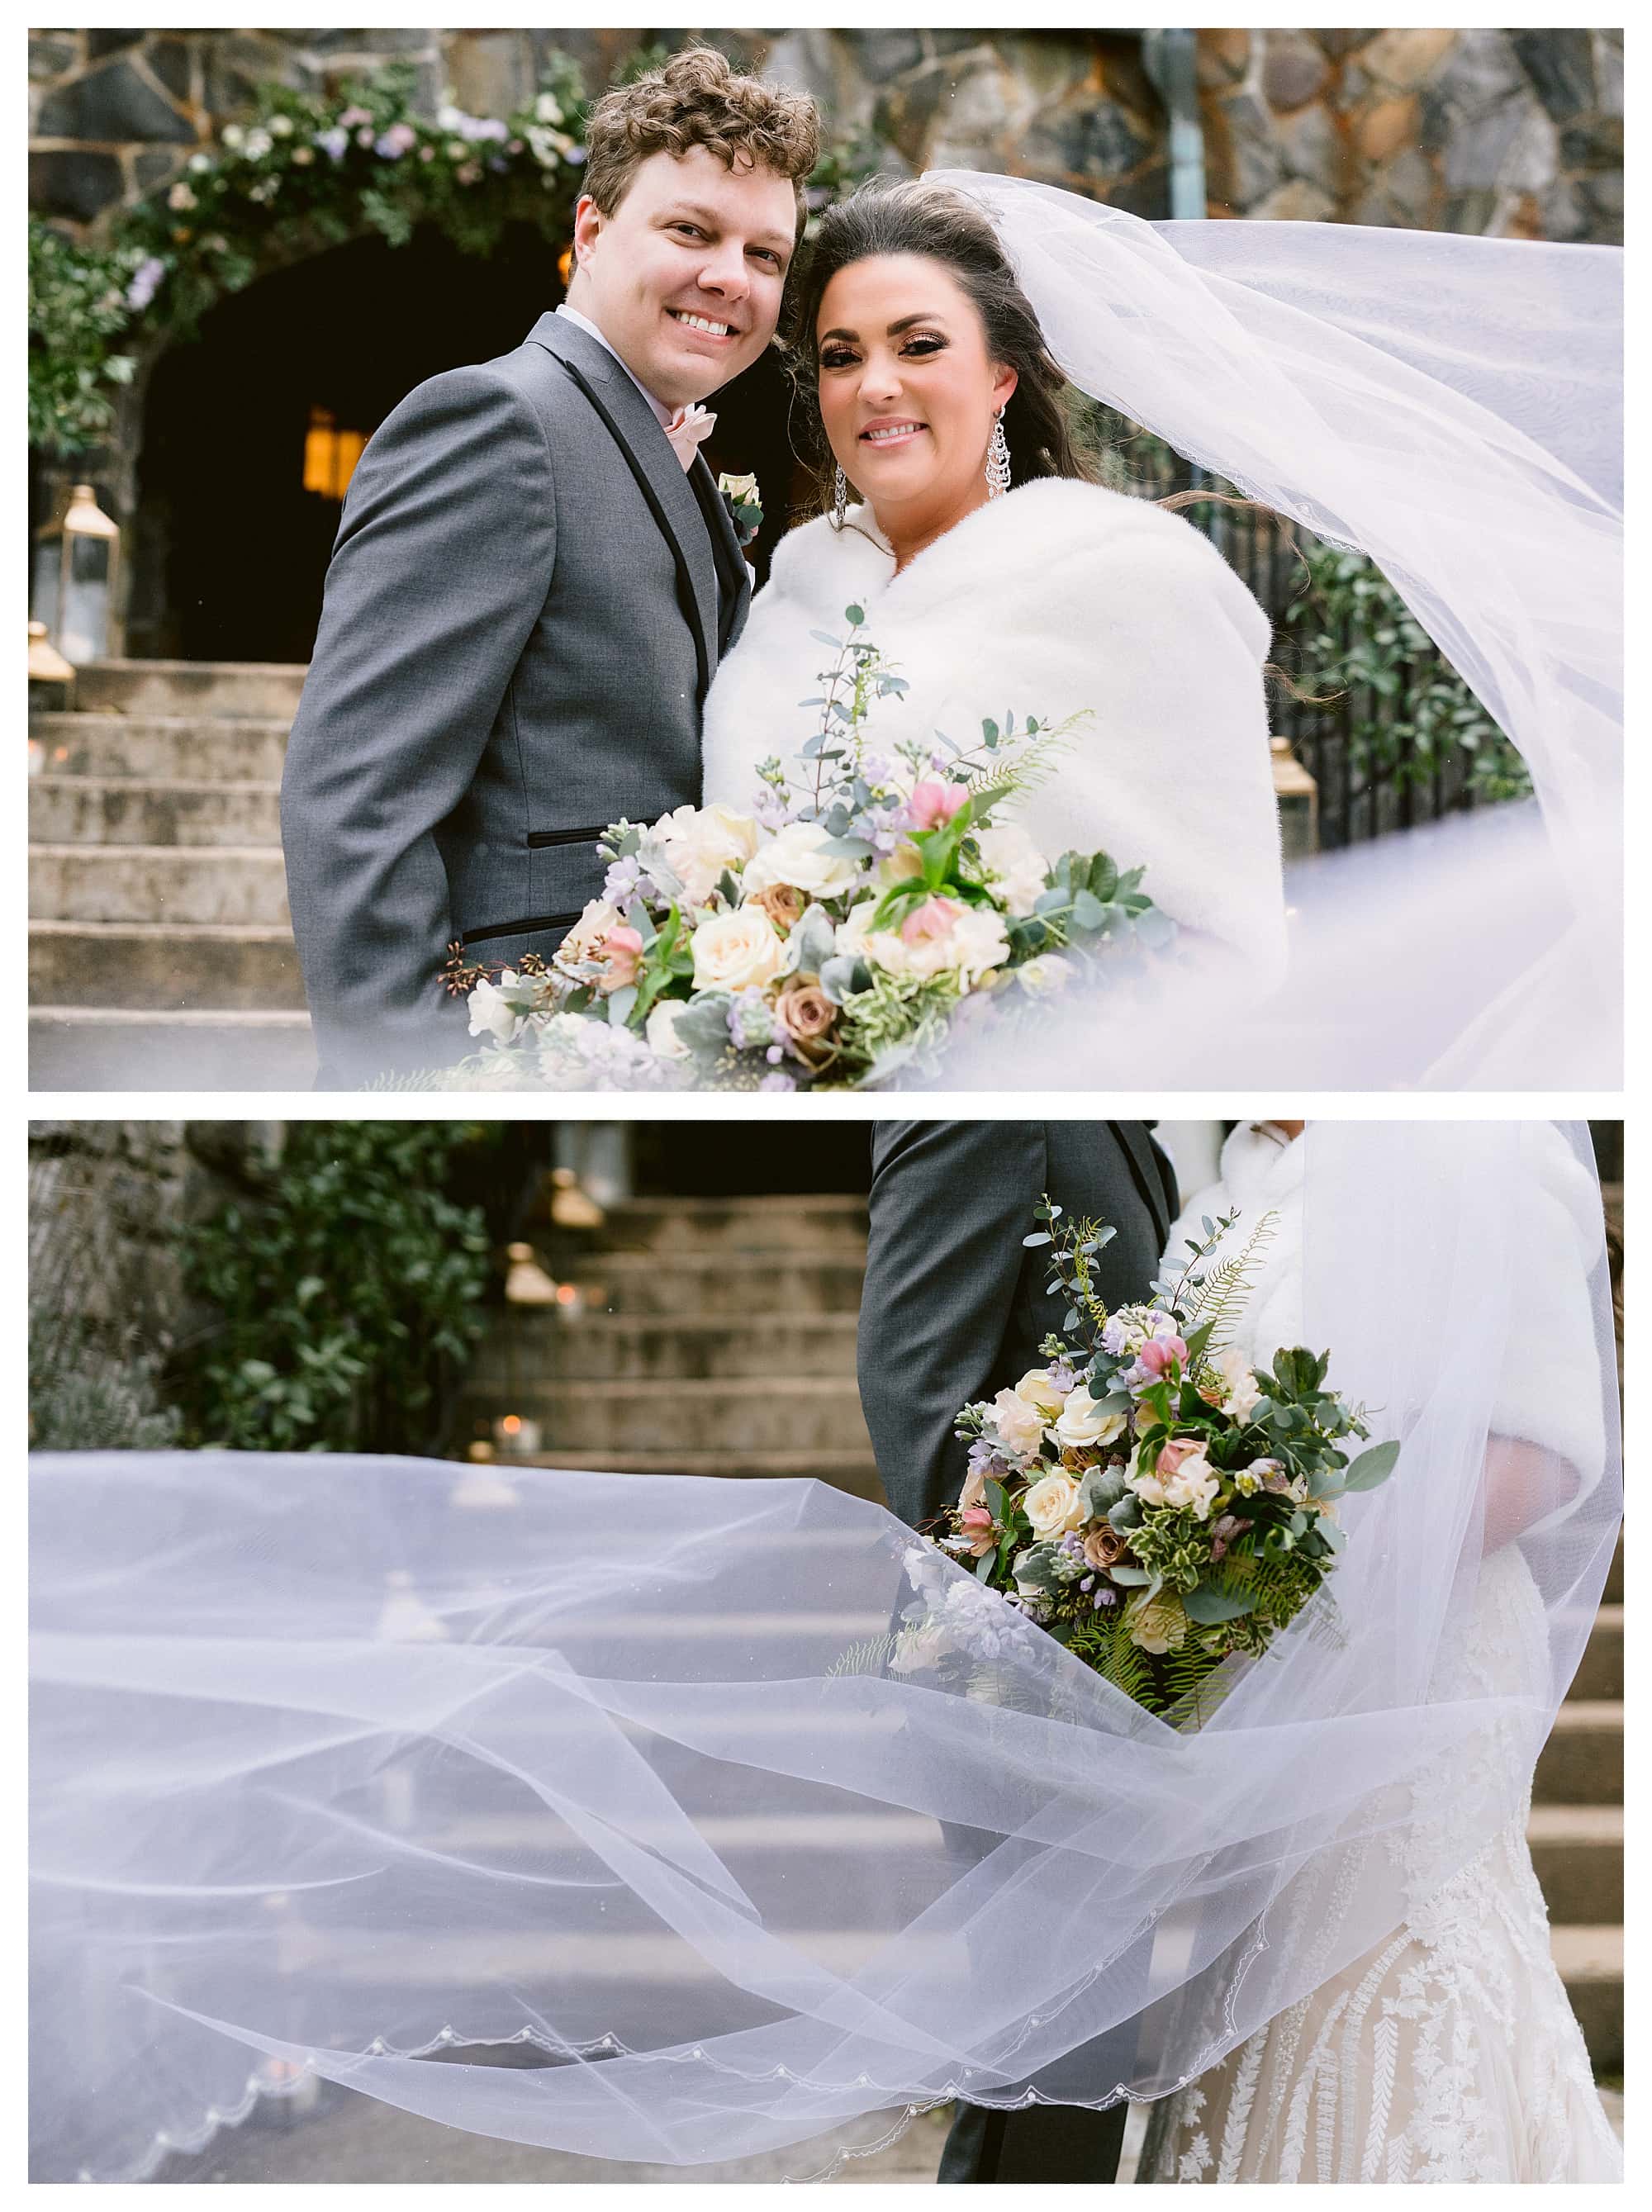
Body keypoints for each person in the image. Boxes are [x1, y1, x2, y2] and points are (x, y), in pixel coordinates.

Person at [280, 50, 820, 1085]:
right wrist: (406, 1079)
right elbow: (355, 798)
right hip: (503, 1045)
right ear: (587, 231)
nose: (729, 277)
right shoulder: (496, 422)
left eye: (764, 254)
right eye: (690, 232)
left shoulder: (633, 433)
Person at [1135, 1120, 1621, 2184]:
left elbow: (1536, 1455)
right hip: (1264, 1670)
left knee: (1394, 1951)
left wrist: (1301, 1581)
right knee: (1264, 1982)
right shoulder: (1219, 1176)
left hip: (1421, 1647)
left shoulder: (1479, 1143)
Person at [701, 178, 1288, 990]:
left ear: (1000, 376)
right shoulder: (788, 597)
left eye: (919, 345)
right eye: (842, 356)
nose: (875, 384)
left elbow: (1227, 938)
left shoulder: (1128, 576)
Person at [857, 1118, 1177, 2185]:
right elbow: (915, 1381)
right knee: (1039, 2092)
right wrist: (1018, 1632)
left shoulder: (1128, 1119)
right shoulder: (991, 1099)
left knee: (1057, 2086)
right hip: (1026, 1687)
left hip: (1108, 1679)